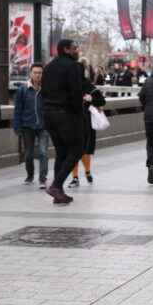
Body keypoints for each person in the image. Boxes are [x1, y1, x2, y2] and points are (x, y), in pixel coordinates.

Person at [42, 39, 85, 205]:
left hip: (48, 114)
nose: (77, 50)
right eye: (75, 48)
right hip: (65, 114)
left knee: (61, 151)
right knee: (77, 149)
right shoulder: (73, 66)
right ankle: (56, 185)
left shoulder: (49, 67)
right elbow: (76, 92)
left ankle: (58, 192)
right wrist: (78, 114)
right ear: (66, 50)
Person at [69, 58, 106, 188]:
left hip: (86, 123)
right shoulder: (67, 86)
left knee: (85, 150)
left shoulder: (88, 86)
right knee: (74, 150)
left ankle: (87, 172)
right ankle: (75, 177)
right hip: (72, 122)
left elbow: (101, 101)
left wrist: (91, 99)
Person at [13, 63, 49, 189]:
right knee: (28, 154)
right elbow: (18, 109)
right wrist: (17, 126)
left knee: (43, 153)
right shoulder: (23, 90)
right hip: (27, 126)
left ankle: (42, 179)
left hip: (44, 126)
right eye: (35, 72)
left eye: (40, 73)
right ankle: (30, 175)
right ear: (30, 73)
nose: (38, 75)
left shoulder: (47, 89)